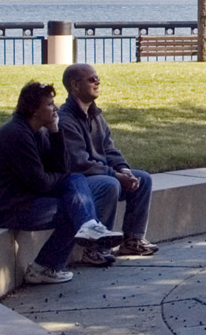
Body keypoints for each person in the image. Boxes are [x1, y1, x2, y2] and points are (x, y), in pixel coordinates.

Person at [0, 81, 126, 283]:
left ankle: (87, 226)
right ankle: (46, 266)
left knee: (75, 187)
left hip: (25, 199)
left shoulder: (39, 132)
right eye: (49, 104)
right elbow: (40, 182)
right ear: (33, 110)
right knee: (73, 208)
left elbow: (61, 169)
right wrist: (64, 177)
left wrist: (56, 132)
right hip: (4, 208)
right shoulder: (16, 135)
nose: (55, 108)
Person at [58, 63, 159, 256]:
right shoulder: (66, 120)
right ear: (75, 86)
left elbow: (110, 150)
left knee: (143, 179)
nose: (98, 82)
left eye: (97, 78)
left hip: (102, 172)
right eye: (91, 79)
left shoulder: (95, 115)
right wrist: (116, 176)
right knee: (109, 184)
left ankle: (133, 240)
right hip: (79, 180)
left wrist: (125, 170)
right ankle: (96, 249)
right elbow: (80, 164)